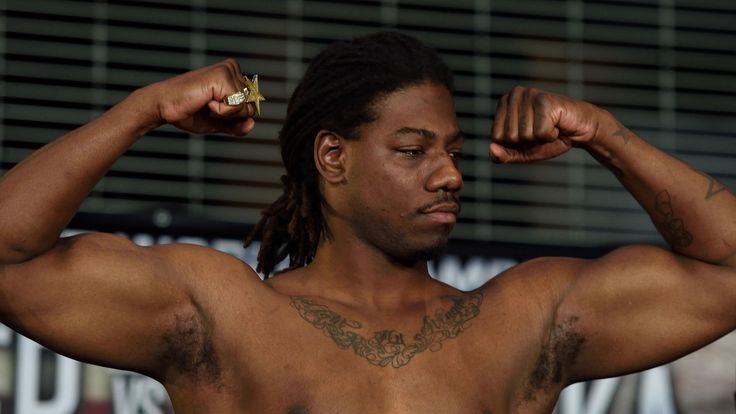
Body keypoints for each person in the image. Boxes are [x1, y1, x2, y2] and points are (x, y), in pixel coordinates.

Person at [0, 31, 734, 414]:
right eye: (413, 151)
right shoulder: (226, 317)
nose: (450, 173)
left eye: (450, 151)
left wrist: (603, 132)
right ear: (333, 158)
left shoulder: (520, 320)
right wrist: (145, 108)